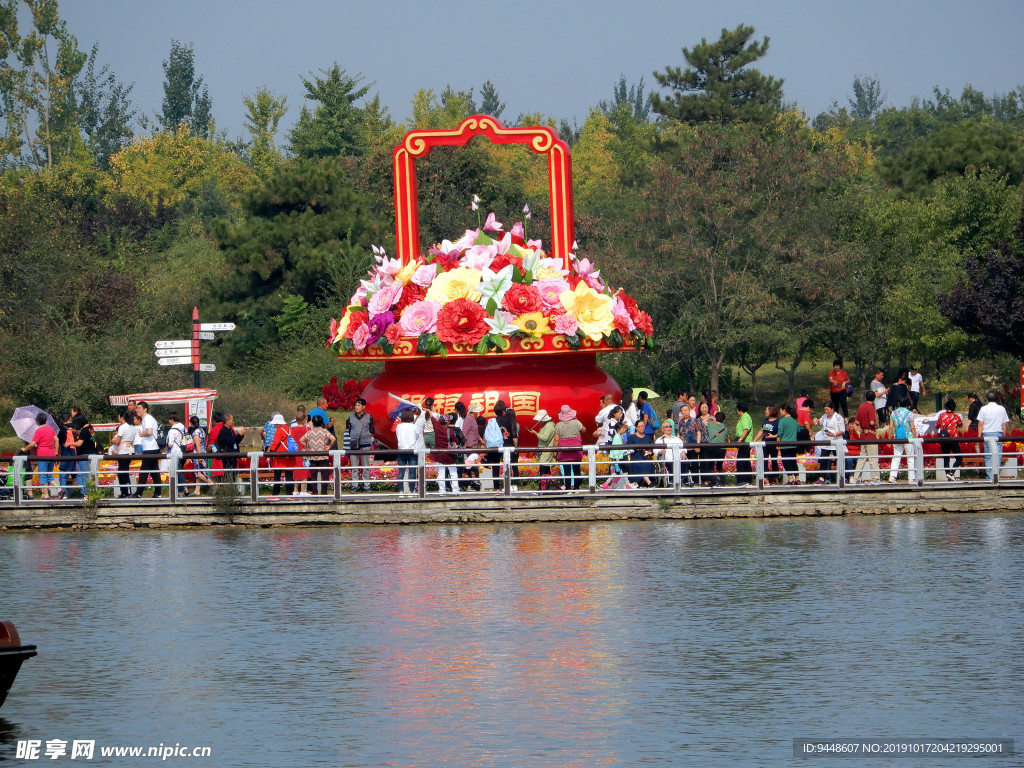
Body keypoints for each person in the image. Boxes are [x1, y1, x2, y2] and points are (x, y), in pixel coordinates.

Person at [976, 390, 1010, 482]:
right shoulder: (1001, 409)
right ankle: (996, 476)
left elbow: (981, 423)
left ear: (987, 399)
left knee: (987, 456)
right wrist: (1004, 435)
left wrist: (979, 436)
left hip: (987, 434)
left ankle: (989, 477)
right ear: (996, 399)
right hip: (998, 434)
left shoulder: (983, 409)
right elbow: (1005, 424)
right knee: (997, 456)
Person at [25, 412, 58, 499]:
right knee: (48, 474)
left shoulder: (39, 430)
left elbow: (32, 444)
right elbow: (56, 439)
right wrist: (56, 452)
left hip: (42, 454)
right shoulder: (50, 429)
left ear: (37, 421)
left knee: (43, 474)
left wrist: (25, 449)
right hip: (51, 454)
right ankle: (59, 489)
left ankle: (46, 495)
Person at [301, 414, 336, 495]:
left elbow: (301, 440)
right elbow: (333, 438)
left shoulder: (310, 432)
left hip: (313, 456)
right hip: (323, 455)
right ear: (322, 423)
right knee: (325, 475)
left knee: (313, 475)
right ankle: (324, 492)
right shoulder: (325, 431)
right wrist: (329, 446)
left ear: (313, 422)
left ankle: (315, 492)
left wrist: (307, 446)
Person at [552, 405, 585, 490]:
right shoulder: (576, 423)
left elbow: (556, 439)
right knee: (576, 470)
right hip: (576, 449)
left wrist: (555, 452)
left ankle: (568, 488)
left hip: (564, 450)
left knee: (566, 471)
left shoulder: (558, 425)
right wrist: (576, 419)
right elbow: (584, 430)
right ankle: (577, 488)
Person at [346, 398, 376, 492]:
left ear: (364, 407)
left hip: (365, 444)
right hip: (354, 444)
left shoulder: (368, 417)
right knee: (354, 466)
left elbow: (372, 431)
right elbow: (348, 429)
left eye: (359, 405)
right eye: (356, 405)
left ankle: (366, 485)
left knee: (365, 466)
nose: (357, 407)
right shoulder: (350, 417)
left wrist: (365, 436)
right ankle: (355, 485)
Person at [134, 401, 163, 498]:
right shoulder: (147, 418)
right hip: (152, 448)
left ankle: (138, 493)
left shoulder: (147, 418)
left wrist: (142, 434)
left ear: (145, 409)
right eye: (136, 408)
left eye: (139, 408)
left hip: (150, 448)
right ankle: (158, 493)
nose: (137, 410)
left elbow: (149, 432)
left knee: (144, 471)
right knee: (154, 472)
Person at [887, 398, 918, 483]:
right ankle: (911, 478)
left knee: (896, 457)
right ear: (907, 405)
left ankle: (892, 477)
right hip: (908, 437)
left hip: (897, 438)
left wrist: (889, 438)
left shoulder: (893, 413)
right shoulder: (910, 414)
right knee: (910, 458)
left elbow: (890, 427)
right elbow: (912, 427)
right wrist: (915, 437)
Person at [933, 398, 964, 481]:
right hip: (953, 439)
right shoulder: (956, 417)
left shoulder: (941, 416)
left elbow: (936, 426)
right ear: (954, 407)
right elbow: (960, 425)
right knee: (959, 458)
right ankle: (951, 473)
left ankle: (948, 475)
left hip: (944, 439)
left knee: (946, 458)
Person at [110, 409, 138, 498]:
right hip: (130, 450)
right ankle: (126, 491)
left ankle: (125, 492)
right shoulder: (132, 428)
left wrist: (113, 440)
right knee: (125, 471)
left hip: (123, 452)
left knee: (122, 472)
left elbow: (117, 441)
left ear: (122, 418)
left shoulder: (122, 427)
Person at [816, 402, 845, 484]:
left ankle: (842, 477)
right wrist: (816, 420)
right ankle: (821, 478)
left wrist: (834, 434)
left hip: (836, 441)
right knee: (823, 459)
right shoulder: (824, 416)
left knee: (839, 459)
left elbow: (842, 430)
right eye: (825, 410)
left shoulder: (838, 417)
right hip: (826, 441)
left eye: (827, 410)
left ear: (832, 409)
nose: (826, 411)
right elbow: (820, 422)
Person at [430, 411, 460, 495]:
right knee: (453, 473)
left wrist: (430, 413)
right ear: (447, 422)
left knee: (441, 473)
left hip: (439, 455)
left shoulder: (437, 429)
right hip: (449, 455)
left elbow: (433, 421)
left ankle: (442, 491)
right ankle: (455, 490)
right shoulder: (449, 431)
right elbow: (456, 440)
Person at [854, 391, 880, 483]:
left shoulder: (861, 407)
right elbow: (872, 422)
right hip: (870, 434)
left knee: (862, 458)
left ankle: (855, 478)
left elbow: (856, 421)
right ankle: (876, 479)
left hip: (863, 435)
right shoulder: (871, 408)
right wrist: (877, 425)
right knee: (873, 458)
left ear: (865, 398)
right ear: (874, 398)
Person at [216, 413, 247, 487]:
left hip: (233, 456)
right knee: (228, 475)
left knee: (233, 475)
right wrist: (239, 434)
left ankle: (233, 489)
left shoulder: (230, 430)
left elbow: (235, 442)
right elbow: (231, 442)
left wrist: (241, 435)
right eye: (232, 420)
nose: (233, 422)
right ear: (227, 421)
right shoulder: (224, 431)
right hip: (227, 457)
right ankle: (227, 490)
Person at [527, 409, 556, 491]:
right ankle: (546, 487)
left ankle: (543, 487)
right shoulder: (547, 425)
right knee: (546, 470)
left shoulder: (549, 426)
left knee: (544, 469)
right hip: (545, 450)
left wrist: (535, 433)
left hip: (546, 451)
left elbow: (545, 438)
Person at [267, 413, 295, 496]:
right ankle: (289, 492)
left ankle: (276, 492)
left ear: (277, 423)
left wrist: (270, 449)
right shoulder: (290, 430)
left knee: (277, 474)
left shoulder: (279, 431)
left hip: (280, 456)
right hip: (289, 455)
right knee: (289, 474)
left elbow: (275, 443)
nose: (274, 425)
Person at [602, 420, 635, 489]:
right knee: (620, 471)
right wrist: (617, 459)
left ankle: (626, 484)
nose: (624, 430)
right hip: (618, 457)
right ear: (618, 429)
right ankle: (607, 483)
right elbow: (616, 448)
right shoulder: (617, 437)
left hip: (619, 456)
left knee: (620, 471)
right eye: (623, 428)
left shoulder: (618, 436)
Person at [395, 409, 420, 496]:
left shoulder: (399, 426)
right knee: (412, 472)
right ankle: (411, 491)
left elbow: (397, 435)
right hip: (412, 451)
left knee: (401, 472)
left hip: (401, 450)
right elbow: (417, 436)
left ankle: (401, 491)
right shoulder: (414, 426)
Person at [754, 406, 782, 485]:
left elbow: (780, 433)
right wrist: (755, 440)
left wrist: (773, 437)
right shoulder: (765, 420)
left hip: (773, 443)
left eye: (766, 410)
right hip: (764, 443)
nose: (765, 412)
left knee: (774, 460)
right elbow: (761, 431)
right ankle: (765, 477)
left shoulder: (778, 421)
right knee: (764, 460)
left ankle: (775, 478)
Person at [652, 420, 684, 487]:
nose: (669, 428)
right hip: (667, 460)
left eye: (670, 426)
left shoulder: (677, 439)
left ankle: (682, 481)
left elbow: (683, 447)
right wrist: (660, 452)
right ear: (663, 429)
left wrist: (683, 452)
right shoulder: (660, 440)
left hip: (679, 459)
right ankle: (673, 482)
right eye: (666, 427)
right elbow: (655, 450)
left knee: (685, 463)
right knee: (672, 464)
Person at [676, 403, 700, 487]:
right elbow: (679, 434)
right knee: (684, 464)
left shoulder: (694, 420)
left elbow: (698, 433)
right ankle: (685, 481)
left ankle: (695, 481)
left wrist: (698, 445)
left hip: (692, 446)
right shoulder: (681, 422)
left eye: (687, 410)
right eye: (684, 411)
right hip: (684, 447)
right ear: (681, 412)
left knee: (694, 464)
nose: (685, 412)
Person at [166, 412, 188, 496]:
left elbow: (170, 444)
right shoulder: (183, 427)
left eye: (169, 420)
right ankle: (185, 488)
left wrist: (167, 445)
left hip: (175, 452)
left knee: (178, 472)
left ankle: (181, 491)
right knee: (180, 470)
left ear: (172, 420)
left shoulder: (172, 431)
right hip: (184, 451)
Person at [777, 405, 800, 485]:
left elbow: (780, 433)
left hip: (785, 445)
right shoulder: (795, 420)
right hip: (794, 444)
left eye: (780, 410)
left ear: (784, 410)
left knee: (786, 462)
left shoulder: (782, 421)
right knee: (793, 461)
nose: (780, 412)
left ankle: (790, 479)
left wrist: (777, 443)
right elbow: (798, 430)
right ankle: (797, 478)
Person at [187, 415, 209, 496]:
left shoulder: (195, 433)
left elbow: (198, 445)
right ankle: (197, 489)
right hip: (204, 452)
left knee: (199, 473)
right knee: (200, 472)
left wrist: (199, 456)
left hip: (198, 453)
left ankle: (213, 484)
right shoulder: (202, 430)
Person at [734, 403, 754, 487]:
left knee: (741, 461)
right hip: (744, 442)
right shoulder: (744, 417)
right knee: (745, 460)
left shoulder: (745, 417)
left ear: (739, 410)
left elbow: (746, 430)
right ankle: (747, 479)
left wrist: (740, 439)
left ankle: (743, 480)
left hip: (744, 442)